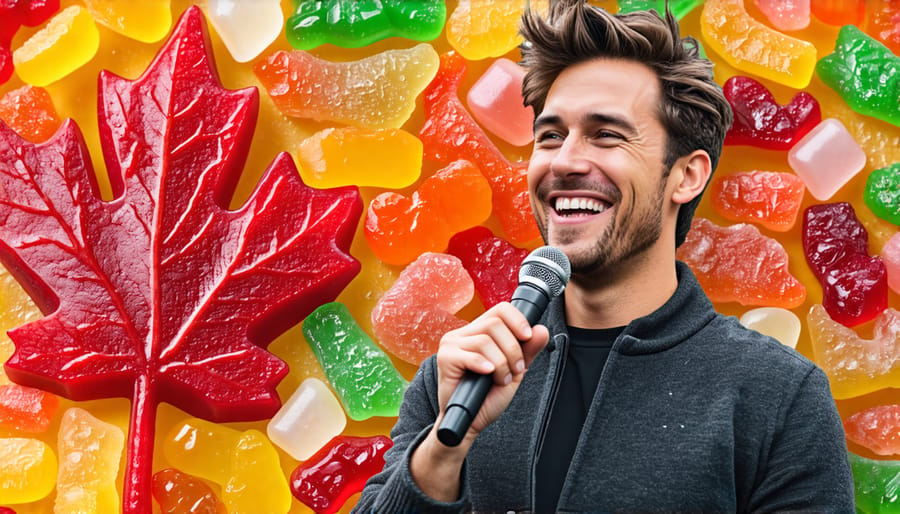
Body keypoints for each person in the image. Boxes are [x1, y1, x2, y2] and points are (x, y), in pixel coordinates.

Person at [354, 1, 855, 512]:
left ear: (686, 175)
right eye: (550, 136)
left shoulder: (779, 395)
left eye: (606, 134)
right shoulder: (456, 376)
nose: (566, 160)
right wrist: (443, 452)